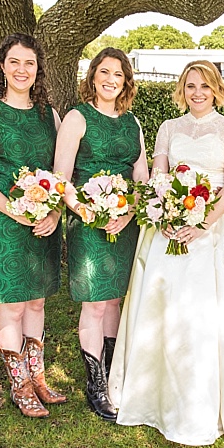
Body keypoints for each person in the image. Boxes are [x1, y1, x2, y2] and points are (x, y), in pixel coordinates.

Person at [108, 60, 224, 446]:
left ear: (216, 90)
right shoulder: (167, 128)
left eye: (205, 87)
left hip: (217, 227)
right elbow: (159, 179)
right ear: (182, 89)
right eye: (191, 86)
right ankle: (158, 396)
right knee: (165, 310)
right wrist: (164, 213)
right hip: (168, 226)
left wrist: (201, 223)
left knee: (220, 315)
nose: (198, 93)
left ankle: (220, 403)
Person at [0, 33, 66, 419]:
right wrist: (15, 210)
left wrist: (53, 212)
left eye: (30, 63)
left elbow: (60, 173)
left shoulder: (50, 115)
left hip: (41, 221)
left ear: (38, 69)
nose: (22, 70)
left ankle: (38, 378)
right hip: (3, 222)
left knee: (37, 300)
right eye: (15, 62)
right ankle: (19, 386)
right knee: (12, 304)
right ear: (2, 66)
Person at [53, 48, 149, 422]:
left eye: (119, 74)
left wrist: (127, 213)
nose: (111, 79)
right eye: (104, 72)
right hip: (88, 221)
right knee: (94, 302)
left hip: (125, 222)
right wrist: (87, 209)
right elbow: (61, 178)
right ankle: (95, 384)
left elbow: (141, 178)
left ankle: (113, 376)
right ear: (92, 77)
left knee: (115, 301)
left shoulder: (133, 123)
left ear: (126, 81)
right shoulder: (78, 118)